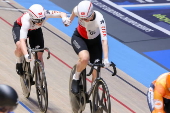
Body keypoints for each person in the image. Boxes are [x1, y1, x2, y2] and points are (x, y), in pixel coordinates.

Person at [12, 4, 69, 80]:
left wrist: (64, 18)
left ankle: (41, 80)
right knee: (20, 46)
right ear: (32, 18)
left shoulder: (46, 13)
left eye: (42, 20)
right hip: (20, 27)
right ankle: (19, 62)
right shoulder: (26, 21)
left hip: (35, 30)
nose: (40, 23)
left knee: (39, 56)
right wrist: (26, 55)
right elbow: (23, 40)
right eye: (37, 21)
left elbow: (62, 13)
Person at [65, 0, 110, 94]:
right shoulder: (78, 10)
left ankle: (94, 96)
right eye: (82, 18)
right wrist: (70, 20)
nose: (84, 20)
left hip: (94, 43)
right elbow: (73, 12)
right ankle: (76, 77)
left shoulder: (100, 19)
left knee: (96, 70)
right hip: (79, 38)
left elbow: (104, 40)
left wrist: (106, 59)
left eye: (86, 18)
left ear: (91, 13)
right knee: (85, 58)